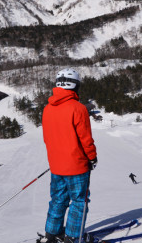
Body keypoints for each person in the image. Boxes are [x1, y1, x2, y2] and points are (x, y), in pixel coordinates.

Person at [39, 68, 97, 243]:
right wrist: (92, 157)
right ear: (75, 86)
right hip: (77, 166)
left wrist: (58, 157)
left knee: (58, 199)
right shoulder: (78, 109)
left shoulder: (48, 109)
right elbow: (85, 139)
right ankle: (73, 236)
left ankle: (52, 233)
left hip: (57, 165)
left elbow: (47, 139)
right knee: (79, 201)